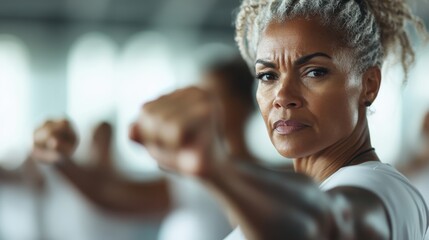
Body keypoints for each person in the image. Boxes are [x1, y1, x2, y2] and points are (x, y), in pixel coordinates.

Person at [129, 0, 429, 239]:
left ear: (369, 85)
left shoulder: (383, 190)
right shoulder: (294, 196)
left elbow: (330, 224)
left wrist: (219, 169)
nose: (282, 95)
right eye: (268, 76)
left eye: (315, 71)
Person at [32, 55, 260, 239]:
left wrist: (59, 161)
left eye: (212, 98)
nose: (197, 110)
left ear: (243, 105)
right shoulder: (220, 175)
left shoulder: (214, 177)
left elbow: (112, 195)